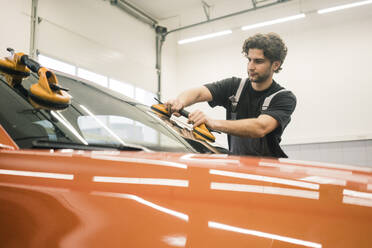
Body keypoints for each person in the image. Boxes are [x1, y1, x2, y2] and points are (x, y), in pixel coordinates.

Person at [165, 32, 296, 158]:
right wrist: (180, 102)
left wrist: (213, 123)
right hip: (237, 164)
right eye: (249, 60)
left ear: (275, 65)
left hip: (267, 170)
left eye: (258, 61)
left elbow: (260, 127)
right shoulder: (234, 86)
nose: (251, 66)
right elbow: (199, 93)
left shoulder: (284, 97)